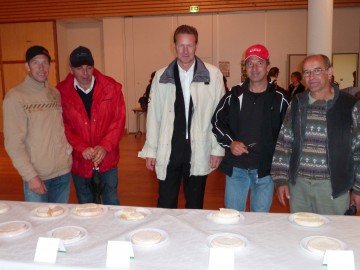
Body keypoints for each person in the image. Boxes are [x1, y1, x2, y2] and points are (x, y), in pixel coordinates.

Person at [138, 25, 225, 209]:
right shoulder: (161, 76)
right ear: (174, 46)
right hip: (170, 148)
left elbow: (220, 115)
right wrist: (151, 150)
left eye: (190, 45)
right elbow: (154, 116)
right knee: (166, 203)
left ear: (196, 46)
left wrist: (217, 149)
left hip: (199, 147)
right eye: (181, 45)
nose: (185, 51)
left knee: (194, 205)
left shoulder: (213, 75)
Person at [271, 54, 360, 215]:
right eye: (306, 72)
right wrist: (281, 180)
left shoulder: (350, 105)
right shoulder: (297, 103)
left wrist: (358, 189)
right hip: (299, 186)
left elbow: (358, 150)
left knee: (331, 236)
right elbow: (284, 143)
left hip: (333, 187)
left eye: (317, 70)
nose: (311, 77)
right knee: (300, 232)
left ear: (330, 71)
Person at [211, 44, 290, 212]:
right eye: (249, 63)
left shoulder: (281, 98)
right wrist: (231, 143)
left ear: (268, 66)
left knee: (259, 222)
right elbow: (217, 121)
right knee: (232, 218)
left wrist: (283, 172)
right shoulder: (234, 94)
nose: (254, 68)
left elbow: (289, 136)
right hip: (236, 170)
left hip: (265, 171)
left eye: (259, 63)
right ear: (245, 67)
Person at [57, 46, 126, 205]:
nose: (85, 72)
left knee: (111, 201)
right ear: (71, 69)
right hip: (80, 160)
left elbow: (119, 120)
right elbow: (63, 125)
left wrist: (105, 146)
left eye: (89, 67)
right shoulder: (60, 92)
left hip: (107, 158)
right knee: (86, 204)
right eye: (79, 68)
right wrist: (81, 147)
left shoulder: (112, 88)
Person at [3, 45, 72, 203]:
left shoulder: (54, 93)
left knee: (59, 224)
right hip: (38, 176)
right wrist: (30, 176)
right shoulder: (15, 98)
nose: (41, 68)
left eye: (45, 62)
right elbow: (13, 144)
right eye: (35, 62)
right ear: (27, 66)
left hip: (63, 174)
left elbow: (60, 129)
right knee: (39, 225)